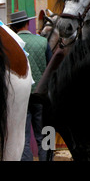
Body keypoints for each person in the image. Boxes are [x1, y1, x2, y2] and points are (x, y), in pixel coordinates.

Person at [8, 11, 52, 161]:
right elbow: (51, 69)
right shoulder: (43, 42)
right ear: (27, 23)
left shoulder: (11, 44)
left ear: (13, 27)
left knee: (23, 137)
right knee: (46, 133)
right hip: (42, 97)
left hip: (20, 97)